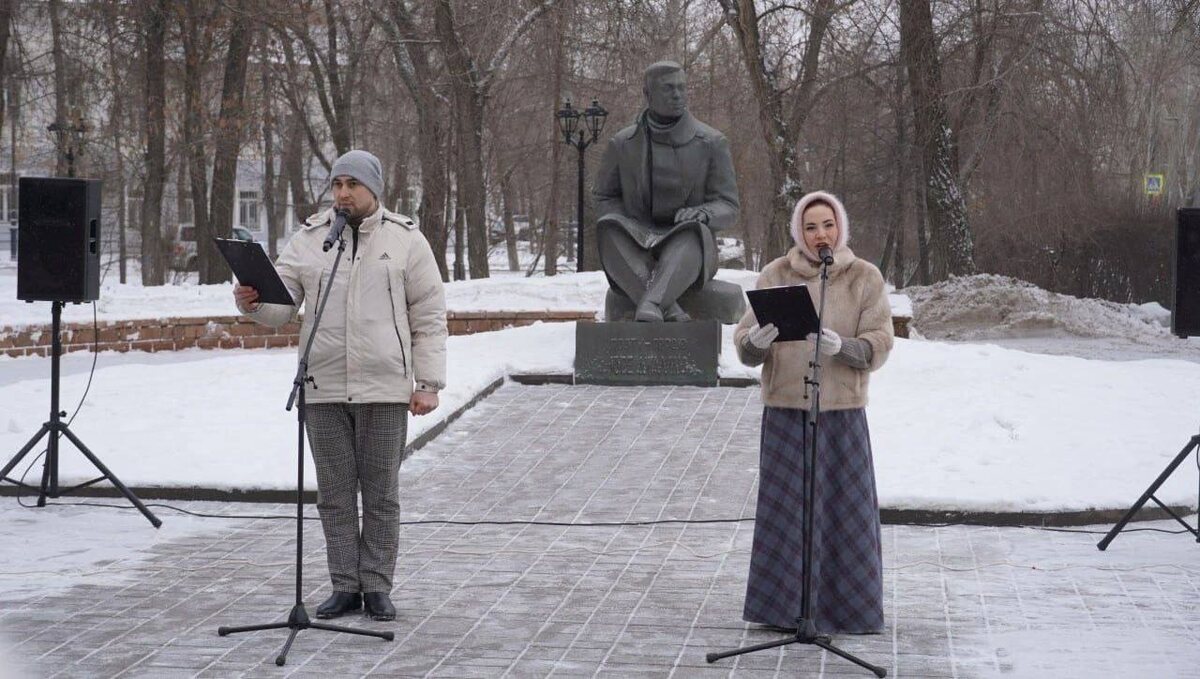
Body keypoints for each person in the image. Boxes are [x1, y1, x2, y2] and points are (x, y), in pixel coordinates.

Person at [233, 149, 447, 622]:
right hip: (322, 384)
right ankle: (344, 586)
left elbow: (429, 316)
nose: (343, 193)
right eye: (337, 184)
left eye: (352, 184)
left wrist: (428, 382)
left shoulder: (406, 240)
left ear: (374, 188)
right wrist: (252, 302)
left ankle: (376, 585)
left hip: (384, 387)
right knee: (333, 493)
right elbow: (281, 306)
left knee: (380, 492)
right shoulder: (310, 239)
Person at [733, 190, 893, 634]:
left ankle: (848, 609)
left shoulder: (864, 277)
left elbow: (881, 341)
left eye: (827, 225)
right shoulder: (774, 274)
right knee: (787, 513)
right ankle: (784, 610)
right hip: (785, 410)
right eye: (810, 227)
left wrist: (847, 348)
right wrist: (755, 343)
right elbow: (745, 344)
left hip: (841, 412)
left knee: (844, 510)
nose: (820, 234)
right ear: (799, 233)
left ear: (840, 227)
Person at [593, 60, 740, 322]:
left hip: (688, 243)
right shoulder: (622, 144)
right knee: (608, 228)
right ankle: (666, 308)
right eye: (668, 89)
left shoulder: (711, 143)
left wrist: (703, 213)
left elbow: (728, 205)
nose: (678, 95)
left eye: (682, 88)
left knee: (693, 232)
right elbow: (604, 197)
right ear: (647, 94)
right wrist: (625, 222)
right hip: (637, 241)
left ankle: (650, 302)